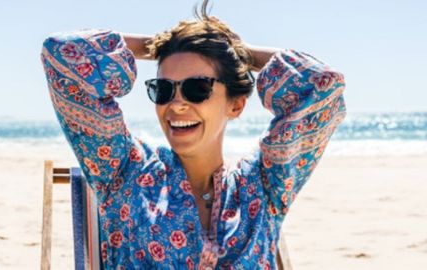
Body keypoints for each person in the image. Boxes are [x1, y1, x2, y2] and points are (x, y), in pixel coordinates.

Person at [40, 1, 346, 268]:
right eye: (162, 89)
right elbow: (62, 54)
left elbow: (322, 85)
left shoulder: (262, 187)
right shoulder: (123, 172)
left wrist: (237, 52)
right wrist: (162, 44)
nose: (177, 104)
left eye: (197, 88)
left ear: (236, 104)